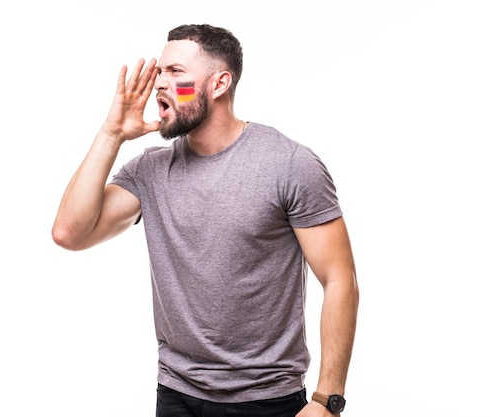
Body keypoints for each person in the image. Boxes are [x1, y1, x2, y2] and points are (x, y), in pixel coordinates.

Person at [52, 24, 359, 417]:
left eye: (175, 72)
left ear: (219, 84)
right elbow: (69, 233)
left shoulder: (290, 164)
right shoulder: (149, 171)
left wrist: (327, 401)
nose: (160, 84)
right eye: (159, 72)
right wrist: (112, 133)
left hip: (265, 400)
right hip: (176, 393)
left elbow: (340, 279)